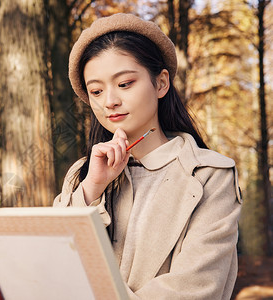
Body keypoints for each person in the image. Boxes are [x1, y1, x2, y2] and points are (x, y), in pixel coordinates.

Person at [53, 13, 242, 299]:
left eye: (125, 83)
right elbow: (51, 268)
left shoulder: (210, 176)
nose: (109, 101)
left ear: (161, 83)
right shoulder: (83, 174)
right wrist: (91, 190)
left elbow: (197, 288)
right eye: (96, 90)